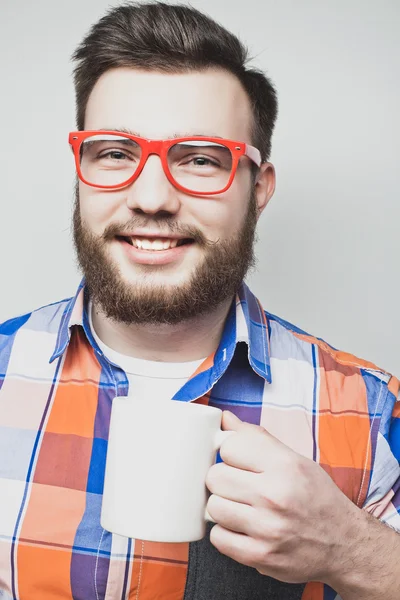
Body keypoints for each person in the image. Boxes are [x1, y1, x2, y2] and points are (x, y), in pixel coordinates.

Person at [0, 2, 399, 599]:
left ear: (257, 189)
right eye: (115, 153)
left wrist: (351, 549)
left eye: (202, 160)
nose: (153, 198)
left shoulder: (373, 411)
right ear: (80, 170)